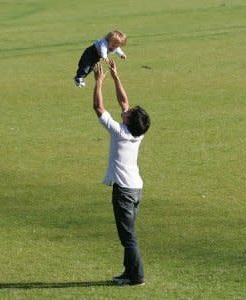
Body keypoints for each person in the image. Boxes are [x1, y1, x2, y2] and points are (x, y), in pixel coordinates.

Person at [92, 61, 150, 286]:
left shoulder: (119, 132)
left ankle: (136, 276)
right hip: (136, 189)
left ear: (129, 120)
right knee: (129, 235)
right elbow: (124, 102)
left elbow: (99, 108)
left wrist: (98, 82)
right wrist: (115, 76)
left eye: (130, 112)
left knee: (128, 238)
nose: (127, 109)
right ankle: (128, 272)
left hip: (124, 192)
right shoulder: (137, 133)